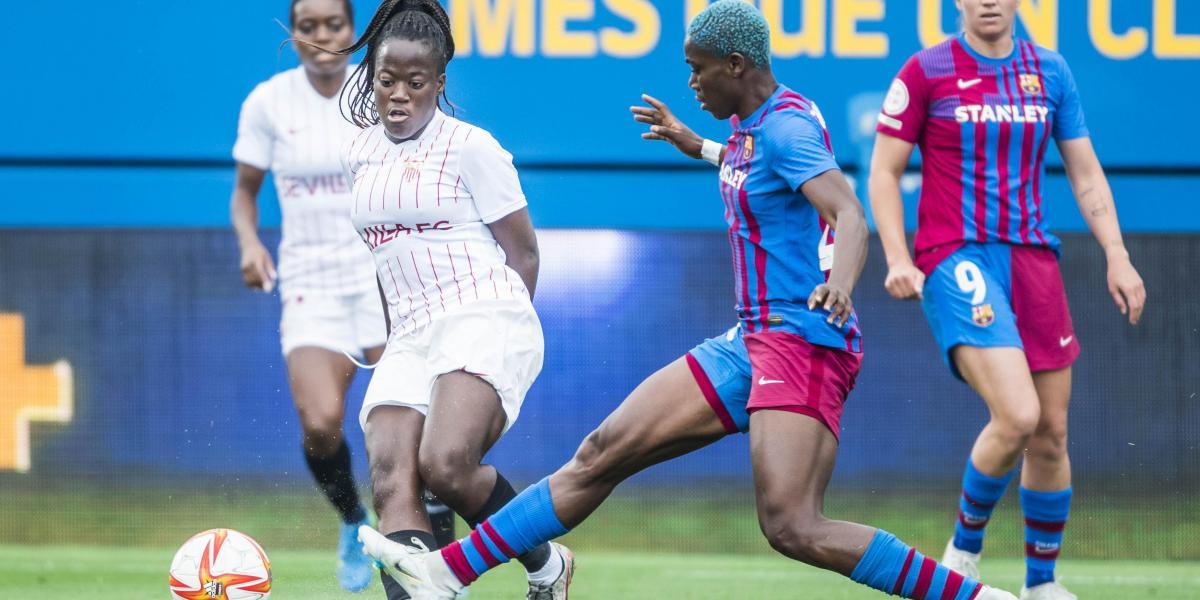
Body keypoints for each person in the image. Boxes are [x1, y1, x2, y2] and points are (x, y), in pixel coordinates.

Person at [357, 2, 1017, 599]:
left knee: (792, 525)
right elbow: (748, 162)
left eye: (698, 71)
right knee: (601, 450)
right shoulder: (757, 127)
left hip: (805, 340)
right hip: (748, 341)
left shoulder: (786, 131)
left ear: (736, 65)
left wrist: (840, 286)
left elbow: (848, 213)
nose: (692, 83)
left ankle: (973, 597)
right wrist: (694, 142)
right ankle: (450, 571)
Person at [868, 1, 1146, 598]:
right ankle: (962, 555)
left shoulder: (1051, 71)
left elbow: (1086, 172)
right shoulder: (925, 70)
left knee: (1050, 431)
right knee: (1018, 415)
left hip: (1033, 260)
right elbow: (884, 172)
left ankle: (1041, 585)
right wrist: (897, 256)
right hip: (955, 255)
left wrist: (1117, 254)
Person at [329, 1, 571, 598]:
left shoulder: (470, 147)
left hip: (483, 314)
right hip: (410, 335)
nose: (399, 95)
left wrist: (505, 346)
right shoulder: (359, 152)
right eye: (387, 81)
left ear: (439, 83)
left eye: (416, 83)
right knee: (390, 479)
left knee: (445, 465)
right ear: (371, 80)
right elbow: (386, 262)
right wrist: (392, 341)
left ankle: (547, 566)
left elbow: (525, 254)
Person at [230, 0, 460, 592]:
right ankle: (353, 520)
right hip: (311, 285)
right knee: (321, 422)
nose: (321, 35)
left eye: (333, 24)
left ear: (352, 29)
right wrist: (251, 244)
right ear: (294, 32)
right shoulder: (268, 103)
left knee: (409, 423)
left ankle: (422, 527)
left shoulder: (379, 88)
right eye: (308, 26)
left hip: (388, 281)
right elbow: (245, 194)